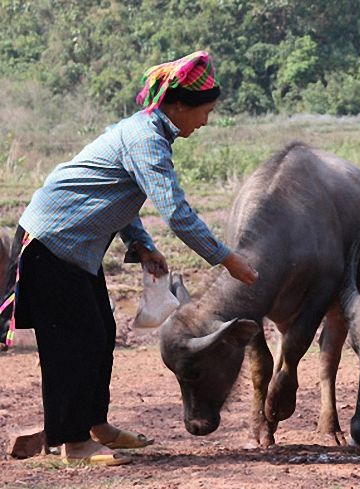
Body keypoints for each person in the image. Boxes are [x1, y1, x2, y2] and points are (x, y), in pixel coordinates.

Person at [6, 50, 257, 466]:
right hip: (50, 244)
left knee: (100, 333)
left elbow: (117, 193)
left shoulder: (147, 132)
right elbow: (176, 213)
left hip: (76, 247)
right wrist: (226, 258)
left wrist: (139, 243)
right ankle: (74, 444)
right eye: (205, 112)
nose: (206, 121)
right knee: (73, 342)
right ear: (178, 106)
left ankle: (95, 425)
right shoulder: (145, 139)